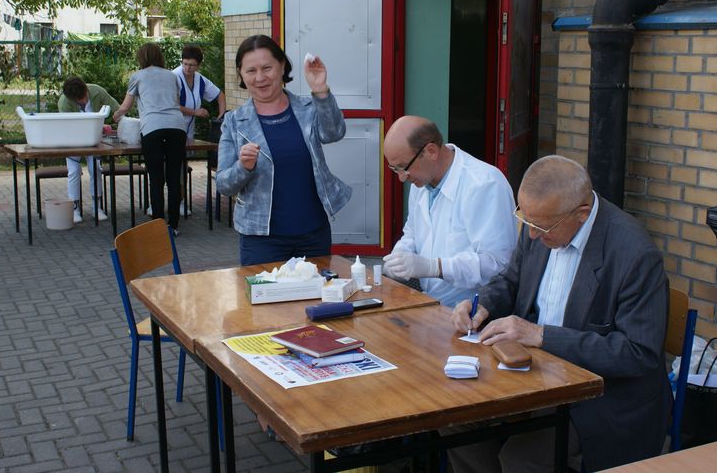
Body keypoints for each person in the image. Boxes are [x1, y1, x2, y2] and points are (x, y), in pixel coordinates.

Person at [448, 155, 671, 472]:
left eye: (541, 227)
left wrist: (541, 335)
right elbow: (511, 280)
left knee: (520, 460)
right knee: (454, 420)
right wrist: (481, 305)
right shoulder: (540, 222)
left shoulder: (634, 254)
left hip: (600, 397)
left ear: (582, 214)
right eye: (525, 220)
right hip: (531, 377)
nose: (532, 235)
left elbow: (638, 353)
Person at [215, 35, 351, 265]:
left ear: (282, 66)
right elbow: (223, 185)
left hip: (313, 234)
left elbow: (334, 133)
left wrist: (320, 91)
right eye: (251, 71)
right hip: (261, 239)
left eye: (267, 68)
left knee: (316, 289)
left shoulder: (308, 108)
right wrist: (242, 167)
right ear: (241, 74)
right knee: (265, 291)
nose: (260, 77)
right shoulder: (234, 122)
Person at [381, 116, 517, 307]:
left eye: (404, 167)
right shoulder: (421, 180)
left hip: (473, 310)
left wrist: (436, 267)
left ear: (431, 151)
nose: (402, 178)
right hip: (429, 303)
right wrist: (400, 255)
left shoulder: (485, 184)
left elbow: (498, 265)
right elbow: (413, 233)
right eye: (395, 169)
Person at [113, 43, 187, 234]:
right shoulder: (172, 76)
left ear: (142, 58)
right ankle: (174, 225)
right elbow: (176, 101)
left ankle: (158, 226)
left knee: (156, 178)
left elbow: (126, 106)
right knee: (173, 177)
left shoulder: (137, 76)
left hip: (152, 128)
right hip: (177, 127)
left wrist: (116, 116)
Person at [172, 44, 226, 216]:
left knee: (182, 166)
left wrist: (221, 116)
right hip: (171, 129)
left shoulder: (200, 80)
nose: (187, 68)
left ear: (198, 65)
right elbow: (172, 105)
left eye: (192, 65)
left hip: (187, 133)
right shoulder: (174, 77)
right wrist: (195, 112)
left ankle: (180, 202)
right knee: (173, 168)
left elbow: (220, 95)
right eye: (185, 64)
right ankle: (169, 202)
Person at [57, 77, 120, 223]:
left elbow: (116, 108)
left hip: (93, 141)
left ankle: (97, 206)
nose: (84, 101)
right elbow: (68, 126)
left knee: (95, 168)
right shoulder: (64, 103)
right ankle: (74, 208)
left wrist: (120, 121)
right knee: (74, 171)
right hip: (72, 141)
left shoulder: (97, 91)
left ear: (86, 89)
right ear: (72, 99)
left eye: (84, 96)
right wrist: (99, 127)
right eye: (79, 100)